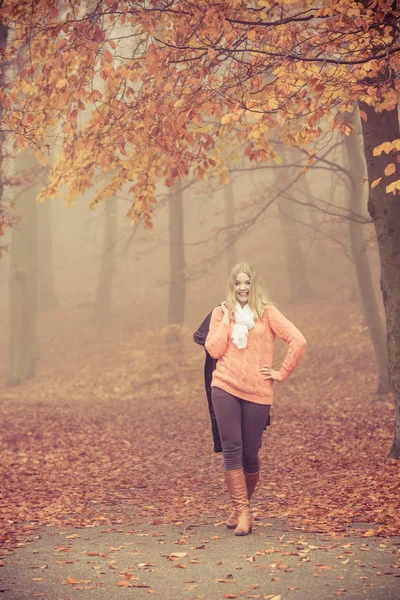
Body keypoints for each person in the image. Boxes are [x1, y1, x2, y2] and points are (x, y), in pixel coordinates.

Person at [205, 262, 307, 536]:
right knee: (232, 450)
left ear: (254, 284)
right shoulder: (220, 313)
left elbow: (298, 340)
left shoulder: (268, 312)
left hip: (259, 392)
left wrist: (281, 372)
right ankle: (245, 512)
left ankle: (240, 508)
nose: (242, 287)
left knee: (250, 453)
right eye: (237, 283)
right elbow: (214, 350)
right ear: (231, 285)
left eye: (247, 282)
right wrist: (227, 319)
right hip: (224, 386)